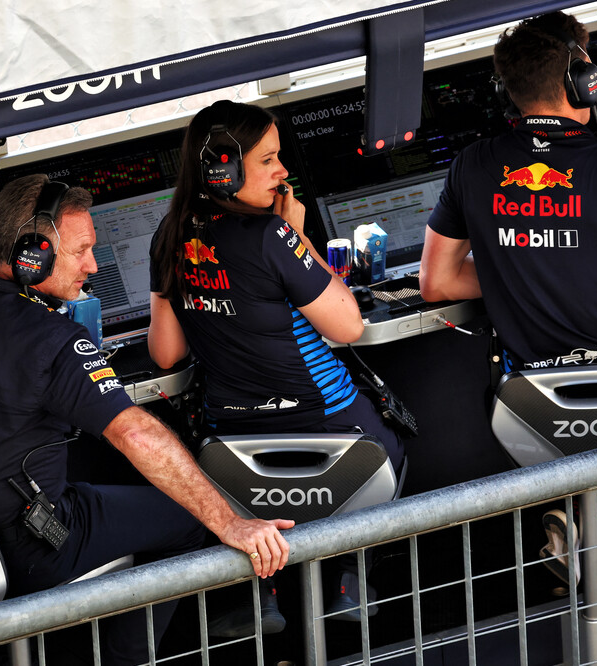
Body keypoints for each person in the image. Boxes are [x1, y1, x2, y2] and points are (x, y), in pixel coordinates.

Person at [0, 173, 293, 664]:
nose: (92, 264)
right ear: (34, 254)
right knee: (194, 516)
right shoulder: (54, 341)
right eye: (81, 250)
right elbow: (134, 432)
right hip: (21, 550)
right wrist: (233, 524)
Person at [419, 11, 597, 584]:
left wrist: (521, 268)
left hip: (529, 396)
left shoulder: (473, 164)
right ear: (584, 82)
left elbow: (435, 284)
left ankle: (595, 509)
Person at [146, 99, 405, 619]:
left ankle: (266, 592)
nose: (283, 171)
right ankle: (349, 580)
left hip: (233, 445)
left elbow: (166, 352)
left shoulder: (168, 237)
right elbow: (349, 325)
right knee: (398, 443)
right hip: (332, 429)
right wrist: (299, 236)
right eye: (268, 160)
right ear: (225, 167)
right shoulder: (273, 235)